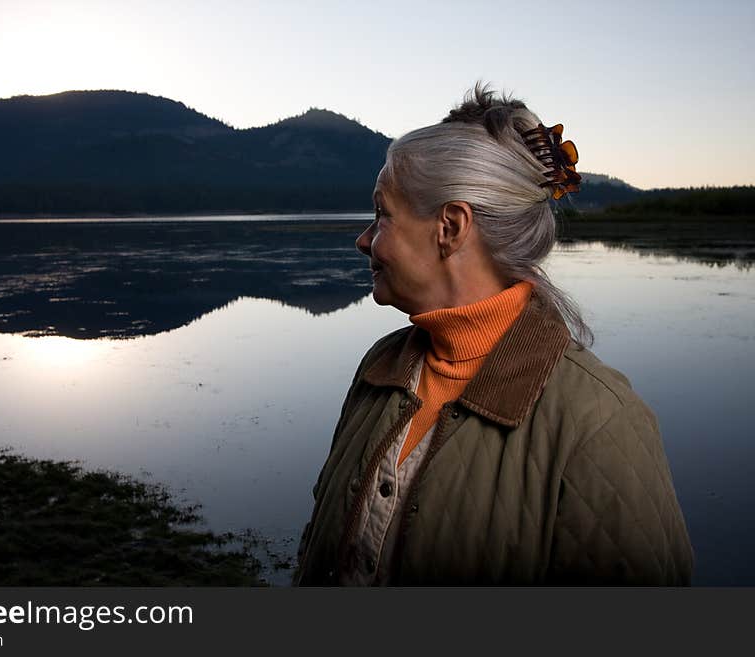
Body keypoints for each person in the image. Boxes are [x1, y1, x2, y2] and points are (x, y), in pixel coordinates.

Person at [293, 84, 694, 586]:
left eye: (382, 215)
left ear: (451, 227)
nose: (364, 239)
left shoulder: (600, 420)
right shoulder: (380, 369)